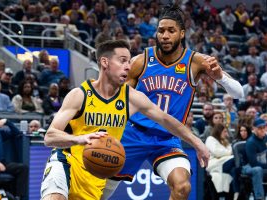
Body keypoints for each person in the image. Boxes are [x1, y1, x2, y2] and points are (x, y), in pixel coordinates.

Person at [101, 4, 244, 200]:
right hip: (132, 133)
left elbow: (239, 93)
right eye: (161, 31)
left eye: (171, 31)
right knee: (99, 191)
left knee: (182, 187)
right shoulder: (140, 62)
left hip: (168, 138)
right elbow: (116, 101)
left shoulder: (196, 62)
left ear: (182, 33)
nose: (165, 36)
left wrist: (221, 77)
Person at [40, 40, 209, 200]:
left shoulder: (132, 98)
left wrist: (197, 142)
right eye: (122, 61)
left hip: (94, 178)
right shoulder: (80, 94)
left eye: (129, 61)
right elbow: (50, 136)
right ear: (105, 63)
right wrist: (79, 139)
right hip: (66, 163)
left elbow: (166, 120)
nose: (128, 66)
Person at [245, 118, 267, 200]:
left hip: (263, 165)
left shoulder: (266, 138)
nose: (262, 130)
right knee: (257, 170)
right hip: (247, 166)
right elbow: (254, 163)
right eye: (259, 128)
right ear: (254, 129)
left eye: (264, 127)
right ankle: (259, 198)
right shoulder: (251, 142)